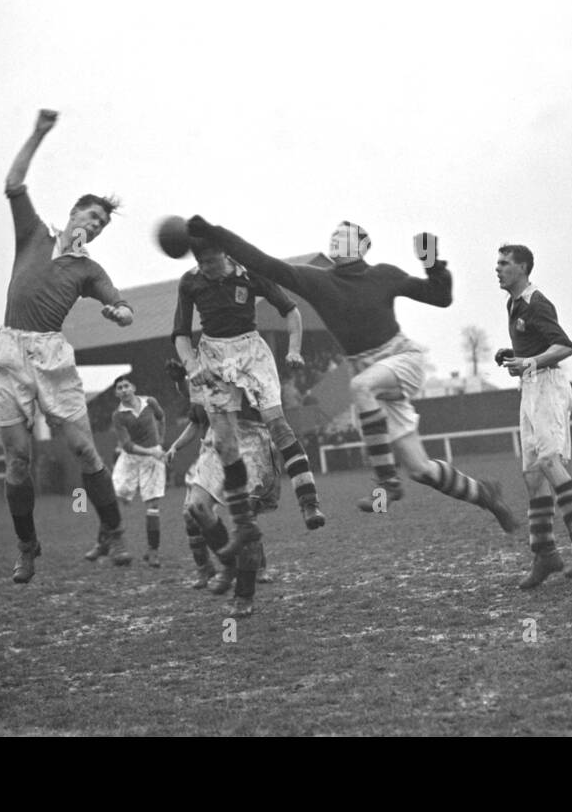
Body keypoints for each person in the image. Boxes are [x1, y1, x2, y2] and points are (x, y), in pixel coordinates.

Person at [184, 216, 517, 532]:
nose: (335, 240)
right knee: (421, 468)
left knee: (360, 386)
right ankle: (486, 494)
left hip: (401, 358)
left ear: (362, 245)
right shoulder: (318, 281)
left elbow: (440, 296)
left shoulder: (384, 274)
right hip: (372, 377)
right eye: (333, 236)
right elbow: (264, 263)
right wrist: (216, 233)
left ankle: (386, 484)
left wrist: (432, 260)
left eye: (343, 236)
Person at [0, 109, 135, 583]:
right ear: (72, 214)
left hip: (51, 355)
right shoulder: (33, 233)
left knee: (85, 453)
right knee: (18, 461)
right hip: (8, 352)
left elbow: (124, 308)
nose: (94, 226)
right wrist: (38, 133)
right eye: (90, 216)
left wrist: (119, 313)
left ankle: (114, 530)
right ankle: (27, 546)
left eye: (102, 225)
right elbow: (12, 182)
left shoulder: (89, 271)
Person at [172, 237, 324, 560]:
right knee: (225, 444)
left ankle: (308, 502)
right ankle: (237, 533)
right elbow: (181, 334)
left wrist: (294, 349)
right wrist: (192, 365)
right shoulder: (191, 282)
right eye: (201, 263)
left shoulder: (251, 272)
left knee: (277, 423)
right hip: (212, 354)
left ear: (225, 254)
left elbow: (291, 310)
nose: (207, 269)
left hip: (250, 350)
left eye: (211, 262)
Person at [495, 244, 572, 588]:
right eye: (497, 263)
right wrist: (515, 356)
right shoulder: (513, 303)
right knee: (531, 473)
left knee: (549, 460)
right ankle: (545, 553)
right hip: (530, 388)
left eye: (504, 263)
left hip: (548, 387)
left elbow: (564, 346)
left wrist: (530, 362)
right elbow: (536, 348)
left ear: (523, 268)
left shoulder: (536, 301)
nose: (497, 268)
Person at [163, 362, 280, 618]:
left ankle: (244, 594)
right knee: (195, 508)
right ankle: (227, 566)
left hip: (252, 440)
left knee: (246, 520)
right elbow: (197, 399)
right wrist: (182, 379)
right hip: (215, 443)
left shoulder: (248, 356)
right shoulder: (205, 357)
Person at [84, 375, 167, 567]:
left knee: (153, 505)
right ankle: (102, 544)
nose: (123, 390)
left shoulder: (150, 402)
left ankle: (153, 552)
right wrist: (151, 451)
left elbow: (161, 418)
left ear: (133, 387)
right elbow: (127, 445)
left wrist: (160, 441)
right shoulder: (118, 415)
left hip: (153, 459)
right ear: (116, 393)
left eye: (126, 386)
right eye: (119, 388)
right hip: (130, 459)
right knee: (111, 500)